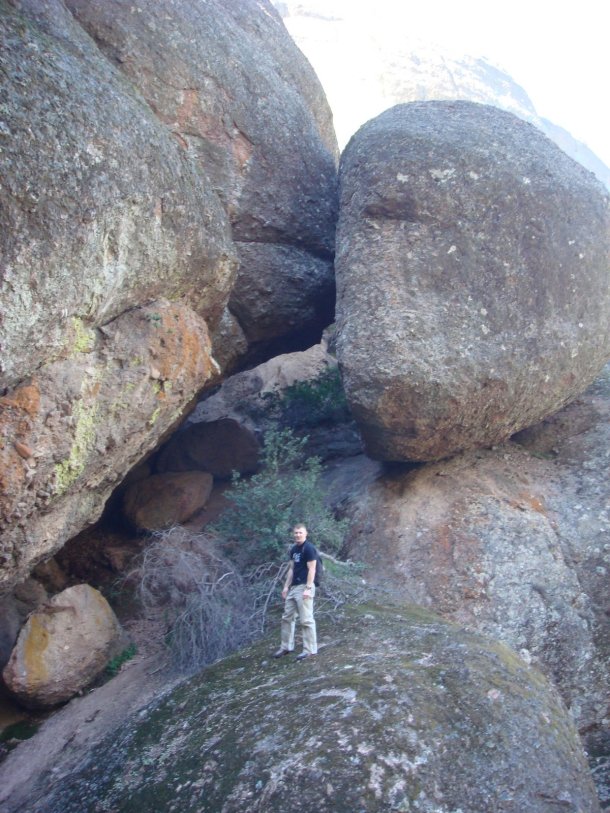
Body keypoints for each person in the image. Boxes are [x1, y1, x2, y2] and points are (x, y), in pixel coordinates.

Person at [273, 523, 318, 661]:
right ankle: (286, 646)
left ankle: (309, 649)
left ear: (306, 534)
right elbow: (291, 569)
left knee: (306, 619)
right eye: (296, 533)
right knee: (287, 617)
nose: (298, 535)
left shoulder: (309, 548)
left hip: (305, 586)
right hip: (294, 587)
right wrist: (286, 587)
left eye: (300, 532)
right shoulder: (294, 549)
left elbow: (312, 569)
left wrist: (308, 588)